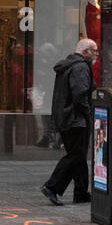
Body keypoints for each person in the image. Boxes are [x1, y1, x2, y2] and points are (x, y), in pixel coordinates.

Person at [41, 38, 98, 206]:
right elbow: (80, 95)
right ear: (86, 51)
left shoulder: (70, 65)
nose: (96, 54)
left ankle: (80, 192)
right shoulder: (80, 67)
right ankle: (52, 186)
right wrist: (89, 114)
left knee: (78, 155)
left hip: (68, 118)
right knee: (76, 155)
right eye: (94, 51)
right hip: (76, 119)